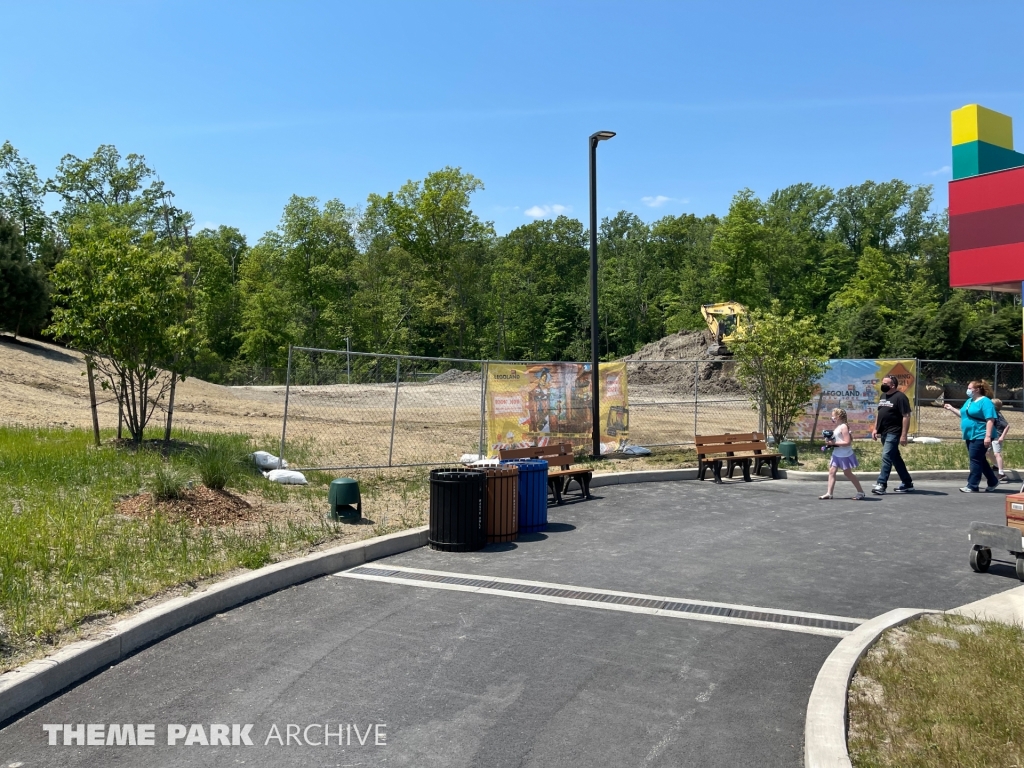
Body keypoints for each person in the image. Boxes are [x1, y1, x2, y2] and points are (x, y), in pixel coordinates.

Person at [942, 379, 998, 492]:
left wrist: (987, 436)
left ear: (977, 390)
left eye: (969, 388)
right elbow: (964, 415)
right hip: (970, 434)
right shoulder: (969, 401)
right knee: (979, 459)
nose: (967, 390)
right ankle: (993, 481)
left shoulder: (985, 402)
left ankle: (972, 485)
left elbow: (990, 419)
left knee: (975, 459)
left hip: (981, 434)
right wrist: (951, 409)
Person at [871, 374, 914, 494]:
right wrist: (875, 429)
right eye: (882, 383)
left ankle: (881, 484)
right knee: (895, 458)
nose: (883, 385)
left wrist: (904, 435)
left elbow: (906, 416)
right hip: (884, 432)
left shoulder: (900, 397)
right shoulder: (883, 396)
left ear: (892, 385)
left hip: (894, 432)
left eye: (885, 383)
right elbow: (879, 413)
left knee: (886, 456)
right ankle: (907, 483)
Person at [819, 408, 866, 500]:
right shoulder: (839, 426)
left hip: (844, 454)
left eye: (833, 416)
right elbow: (837, 439)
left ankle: (861, 492)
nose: (832, 418)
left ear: (839, 416)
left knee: (848, 473)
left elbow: (847, 442)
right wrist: (829, 441)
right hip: (837, 453)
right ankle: (829, 493)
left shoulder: (844, 426)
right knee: (832, 471)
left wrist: (833, 443)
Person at [986, 398, 1010, 482]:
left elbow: (1007, 426)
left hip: (997, 436)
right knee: (987, 452)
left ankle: (1001, 473)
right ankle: (996, 465)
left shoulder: (998, 415)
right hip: (991, 436)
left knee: (997, 453)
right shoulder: (991, 414)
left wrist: (1002, 437)